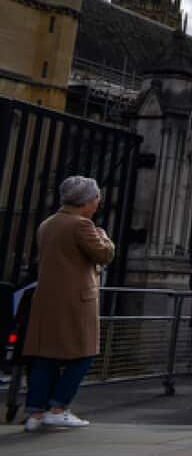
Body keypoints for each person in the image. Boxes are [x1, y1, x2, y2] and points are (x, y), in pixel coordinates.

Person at [22, 176, 115, 432]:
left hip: (47, 299)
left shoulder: (48, 223)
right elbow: (104, 255)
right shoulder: (82, 226)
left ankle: (35, 412)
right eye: (96, 197)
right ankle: (59, 407)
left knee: (45, 357)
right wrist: (104, 236)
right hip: (76, 301)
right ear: (86, 200)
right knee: (83, 355)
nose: (98, 201)